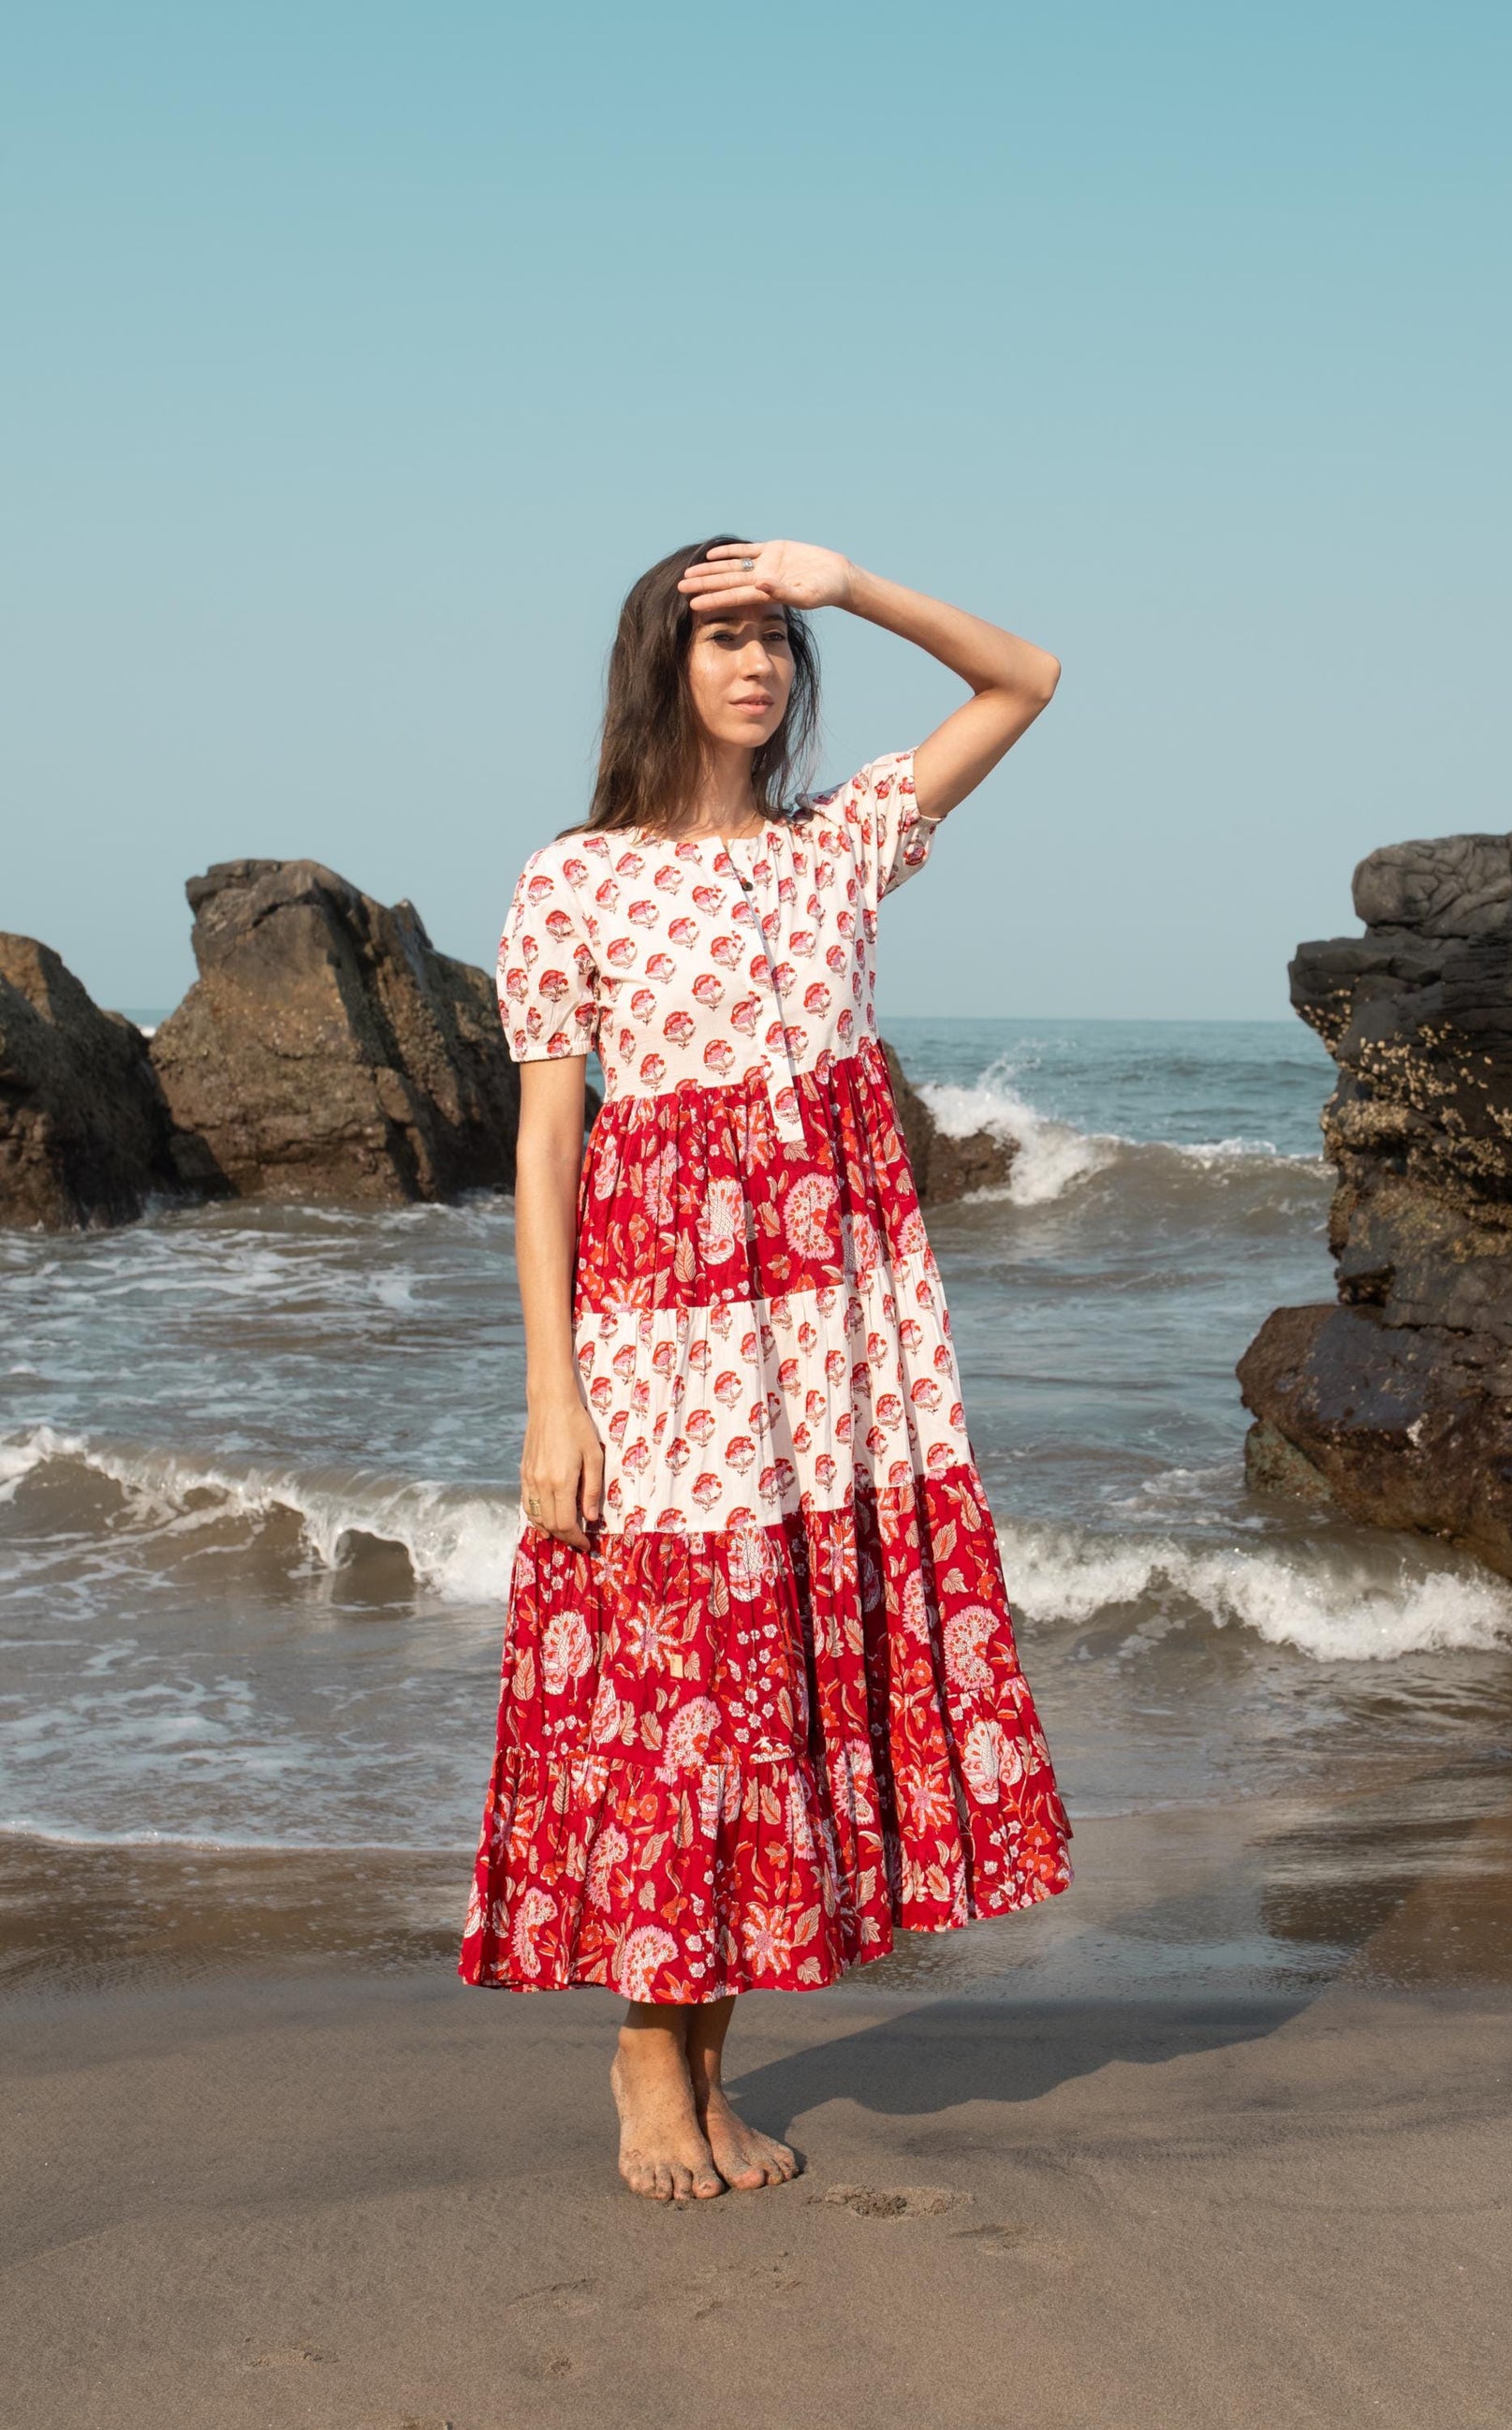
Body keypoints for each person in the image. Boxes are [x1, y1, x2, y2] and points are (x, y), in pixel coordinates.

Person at [460, 537, 1073, 2202]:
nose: (756, 665)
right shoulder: (573, 878)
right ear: (658, 662)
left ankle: (708, 2064)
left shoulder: (842, 850)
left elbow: (1024, 677)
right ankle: (646, 2059)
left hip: (833, 1339)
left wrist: (850, 578)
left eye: (775, 641)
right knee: (673, 1691)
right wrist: (551, 1394)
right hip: (658, 1333)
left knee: (775, 1682)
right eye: (722, 636)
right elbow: (545, 1153)